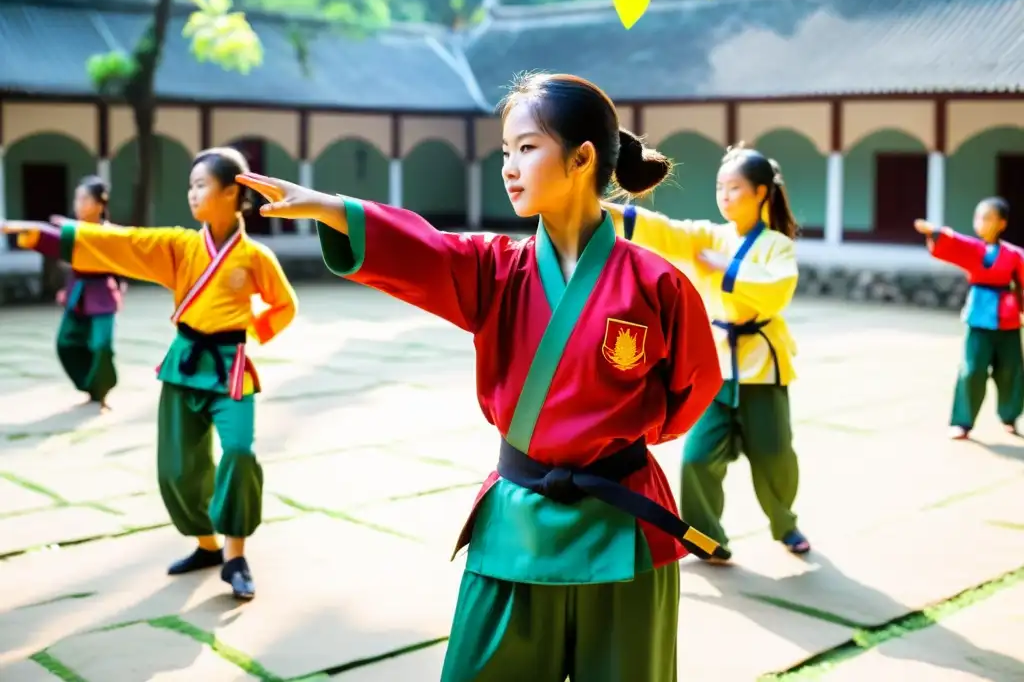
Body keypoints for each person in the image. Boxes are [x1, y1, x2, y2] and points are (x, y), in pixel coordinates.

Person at [235, 72, 723, 682]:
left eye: (526, 148)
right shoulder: (494, 268)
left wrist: (613, 443)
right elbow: (424, 252)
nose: (509, 167)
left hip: (622, 528)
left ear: (582, 157)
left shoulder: (657, 284)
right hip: (516, 521)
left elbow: (693, 386)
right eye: (505, 152)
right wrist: (329, 208)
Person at [1, 147, 298, 600]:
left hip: (230, 368)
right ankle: (207, 546)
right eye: (190, 185)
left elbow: (284, 305)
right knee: (179, 469)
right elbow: (122, 242)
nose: (192, 193)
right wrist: (45, 237)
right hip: (183, 364)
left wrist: (254, 329)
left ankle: (235, 557)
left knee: (239, 452)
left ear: (231, 193)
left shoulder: (255, 257)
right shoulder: (180, 246)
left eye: (202, 185)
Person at [603, 143, 808, 562]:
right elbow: (663, 230)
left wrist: (726, 266)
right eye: (721, 187)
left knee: (775, 457)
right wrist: (598, 207)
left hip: (761, 370)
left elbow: (777, 290)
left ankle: (785, 523)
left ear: (762, 194)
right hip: (717, 366)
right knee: (697, 458)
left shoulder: (777, 246)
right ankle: (705, 537)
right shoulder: (708, 235)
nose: (725, 196)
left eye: (735, 188)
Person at [914, 198, 1024, 439]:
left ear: (1002, 223)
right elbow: (957, 243)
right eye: (978, 218)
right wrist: (935, 232)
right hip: (978, 317)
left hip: (1008, 319)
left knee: (1011, 370)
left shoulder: (1015, 255)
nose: (980, 223)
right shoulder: (975, 249)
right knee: (972, 370)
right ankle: (963, 421)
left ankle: (1010, 416)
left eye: (987, 218)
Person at [11, 175, 123, 410]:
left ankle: (101, 392)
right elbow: (51, 238)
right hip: (78, 291)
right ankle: (89, 386)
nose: (78, 203)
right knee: (66, 343)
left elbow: (122, 263)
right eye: (77, 198)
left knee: (102, 346)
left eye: (84, 198)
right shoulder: (72, 230)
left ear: (100, 205)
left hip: (102, 293)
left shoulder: (109, 233)